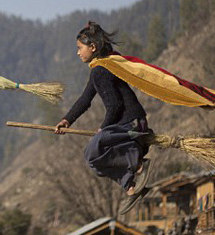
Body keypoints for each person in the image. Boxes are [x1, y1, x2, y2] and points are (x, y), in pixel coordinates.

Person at [54, 21, 153, 215]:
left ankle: (139, 164)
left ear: (92, 47)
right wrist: (67, 120)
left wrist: (103, 129)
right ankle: (131, 187)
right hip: (126, 129)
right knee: (94, 161)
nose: (77, 53)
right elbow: (85, 99)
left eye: (79, 48)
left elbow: (115, 105)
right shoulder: (98, 70)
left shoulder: (102, 70)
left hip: (133, 125)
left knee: (94, 147)